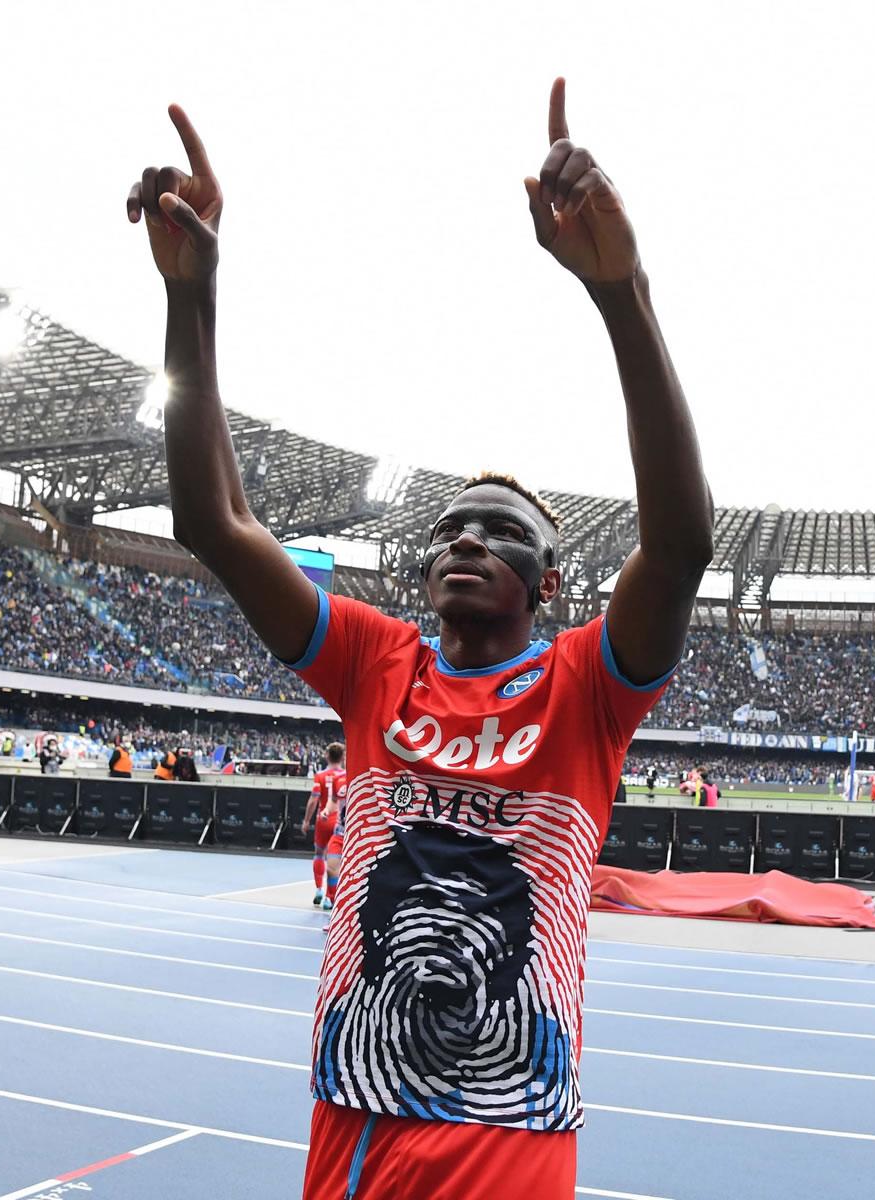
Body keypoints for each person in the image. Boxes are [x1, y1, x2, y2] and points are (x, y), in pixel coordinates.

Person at [130, 78, 712, 1200]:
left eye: (500, 533)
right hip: (352, 1121)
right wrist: (192, 299)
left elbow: (680, 543)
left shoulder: (589, 685)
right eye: (450, 527)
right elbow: (215, 522)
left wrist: (621, 295)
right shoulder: (372, 661)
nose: (465, 540)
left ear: (550, 580)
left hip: (507, 1135)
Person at [301, 742, 347, 908]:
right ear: (343, 757)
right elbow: (333, 799)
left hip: (324, 820)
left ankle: (319, 889)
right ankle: (329, 897)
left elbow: (314, 799)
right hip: (337, 820)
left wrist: (307, 820)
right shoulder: (345, 775)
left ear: (327, 755)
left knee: (319, 854)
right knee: (335, 862)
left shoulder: (320, 775)